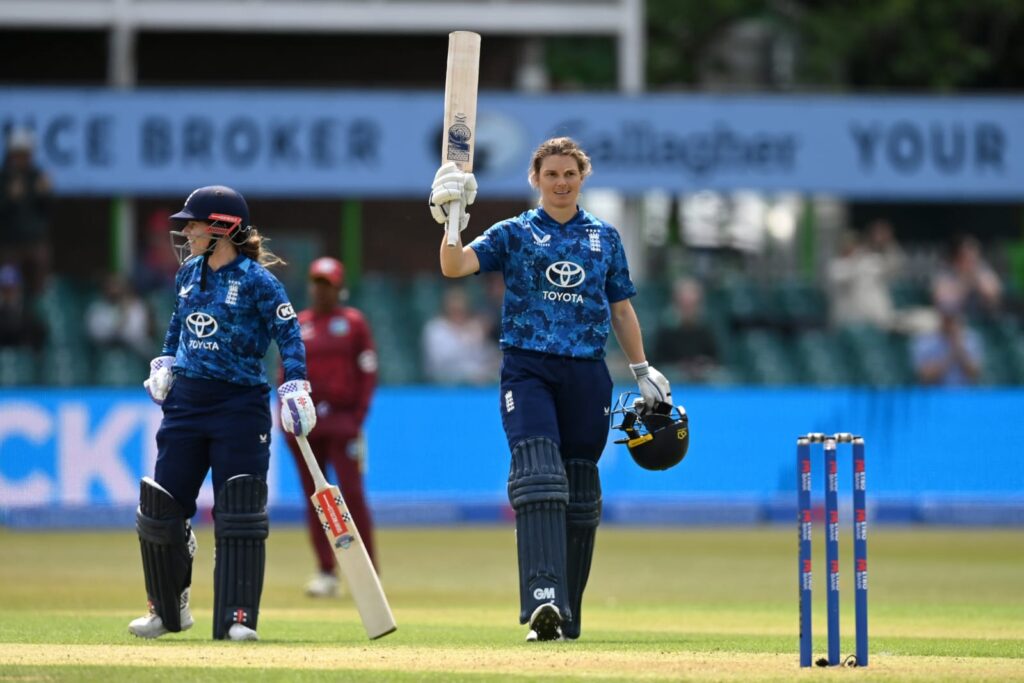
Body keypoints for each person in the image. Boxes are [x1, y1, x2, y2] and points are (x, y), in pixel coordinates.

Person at [429, 137, 677, 642]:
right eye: (551, 175)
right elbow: (454, 266)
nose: (561, 183)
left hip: (587, 374)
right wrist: (451, 219)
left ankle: (567, 614)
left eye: (569, 174)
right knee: (539, 475)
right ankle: (542, 601)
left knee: (581, 494)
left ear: (582, 177)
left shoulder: (604, 237)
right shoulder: (515, 233)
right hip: (528, 369)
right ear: (535, 179)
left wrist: (643, 368)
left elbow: (622, 309)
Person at [129, 185, 316, 642]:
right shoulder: (189, 273)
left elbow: (289, 334)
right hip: (187, 404)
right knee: (162, 510)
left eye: (192, 224)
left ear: (221, 228)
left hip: (240, 405)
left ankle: (237, 617)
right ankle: (167, 610)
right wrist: (166, 360)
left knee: (239, 511)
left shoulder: (258, 280)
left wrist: (294, 384)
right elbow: (177, 324)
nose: (186, 231)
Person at [282, 256, 379, 598]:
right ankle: (326, 571)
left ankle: (367, 573)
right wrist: (288, 422)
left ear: (339, 288)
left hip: (342, 421)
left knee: (351, 494)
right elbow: (285, 378)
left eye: (328, 285)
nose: (321, 291)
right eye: (316, 284)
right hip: (307, 427)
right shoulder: (300, 324)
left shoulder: (353, 323)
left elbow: (368, 373)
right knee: (316, 499)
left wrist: (357, 417)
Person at [0, 127, 52, 297]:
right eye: (18, 154)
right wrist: (10, 199)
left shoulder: (37, 176)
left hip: (34, 241)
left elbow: (48, 212)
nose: (21, 159)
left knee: (39, 275)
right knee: (9, 279)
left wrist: (45, 195)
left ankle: (37, 306)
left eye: (25, 154)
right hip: (9, 243)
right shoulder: (4, 178)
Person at [826, 219, 903, 330]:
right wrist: (857, 260)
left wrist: (886, 243)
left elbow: (893, 265)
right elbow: (844, 277)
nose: (850, 246)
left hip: (874, 317)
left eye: (853, 243)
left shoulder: (869, 260)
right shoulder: (835, 266)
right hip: (845, 318)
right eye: (847, 243)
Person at [422, 284, 499, 385]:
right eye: (455, 309)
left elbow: (485, 355)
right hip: (442, 384)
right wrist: (467, 339)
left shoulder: (473, 326)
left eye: (462, 309)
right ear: (446, 308)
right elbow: (441, 362)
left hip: (476, 383)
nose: (459, 314)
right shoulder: (435, 329)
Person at [653, 277, 721, 383]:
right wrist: (681, 367)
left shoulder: (706, 331)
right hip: (675, 380)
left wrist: (702, 364)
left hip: (702, 378)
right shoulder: (666, 331)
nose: (688, 309)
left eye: (692, 305)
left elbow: (715, 359)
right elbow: (659, 362)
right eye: (684, 305)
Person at [85, 273, 154, 363]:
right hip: (106, 355)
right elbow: (97, 336)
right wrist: (121, 319)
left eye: (117, 285)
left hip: (137, 355)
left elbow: (140, 334)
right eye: (111, 285)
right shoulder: (97, 310)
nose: (114, 289)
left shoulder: (136, 305)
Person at [931, 233, 1002, 321]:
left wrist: (976, 280)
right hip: (955, 323)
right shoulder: (945, 273)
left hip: (983, 320)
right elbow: (943, 303)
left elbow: (994, 296)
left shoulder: (982, 269)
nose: (972, 259)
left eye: (974, 255)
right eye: (967, 256)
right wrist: (965, 283)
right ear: (957, 257)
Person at [911, 306, 983, 386]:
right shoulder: (926, 340)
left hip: (965, 393)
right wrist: (951, 354)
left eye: (953, 320)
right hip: (936, 394)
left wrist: (959, 348)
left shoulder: (970, 339)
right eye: (947, 320)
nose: (950, 325)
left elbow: (974, 374)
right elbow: (926, 376)